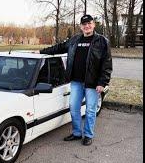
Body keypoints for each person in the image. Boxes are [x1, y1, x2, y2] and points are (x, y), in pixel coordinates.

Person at [39, 14, 113, 146]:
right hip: (76, 82)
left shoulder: (102, 41)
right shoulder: (75, 40)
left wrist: (103, 82)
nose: (87, 26)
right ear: (81, 27)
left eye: (89, 23)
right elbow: (59, 47)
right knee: (73, 107)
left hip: (93, 83)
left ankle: (88, 135)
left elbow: (107, 64)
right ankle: (77, 133)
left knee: (90, 110)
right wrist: (40, 52)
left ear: (93, 24)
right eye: (84, 24)